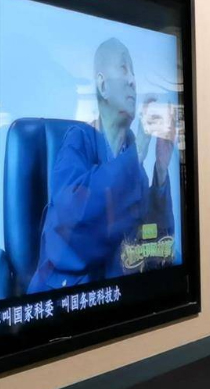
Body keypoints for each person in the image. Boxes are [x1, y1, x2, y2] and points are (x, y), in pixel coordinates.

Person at [28, 38, 175, 293]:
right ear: (103, 85)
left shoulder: (130, 154)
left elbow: (154, 239)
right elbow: (72, 221)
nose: (133, 81)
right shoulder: (79, 140)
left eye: (134, 73)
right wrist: (139, 151)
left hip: (121, 292)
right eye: (124, 69)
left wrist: (161, 170)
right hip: (71, 295)